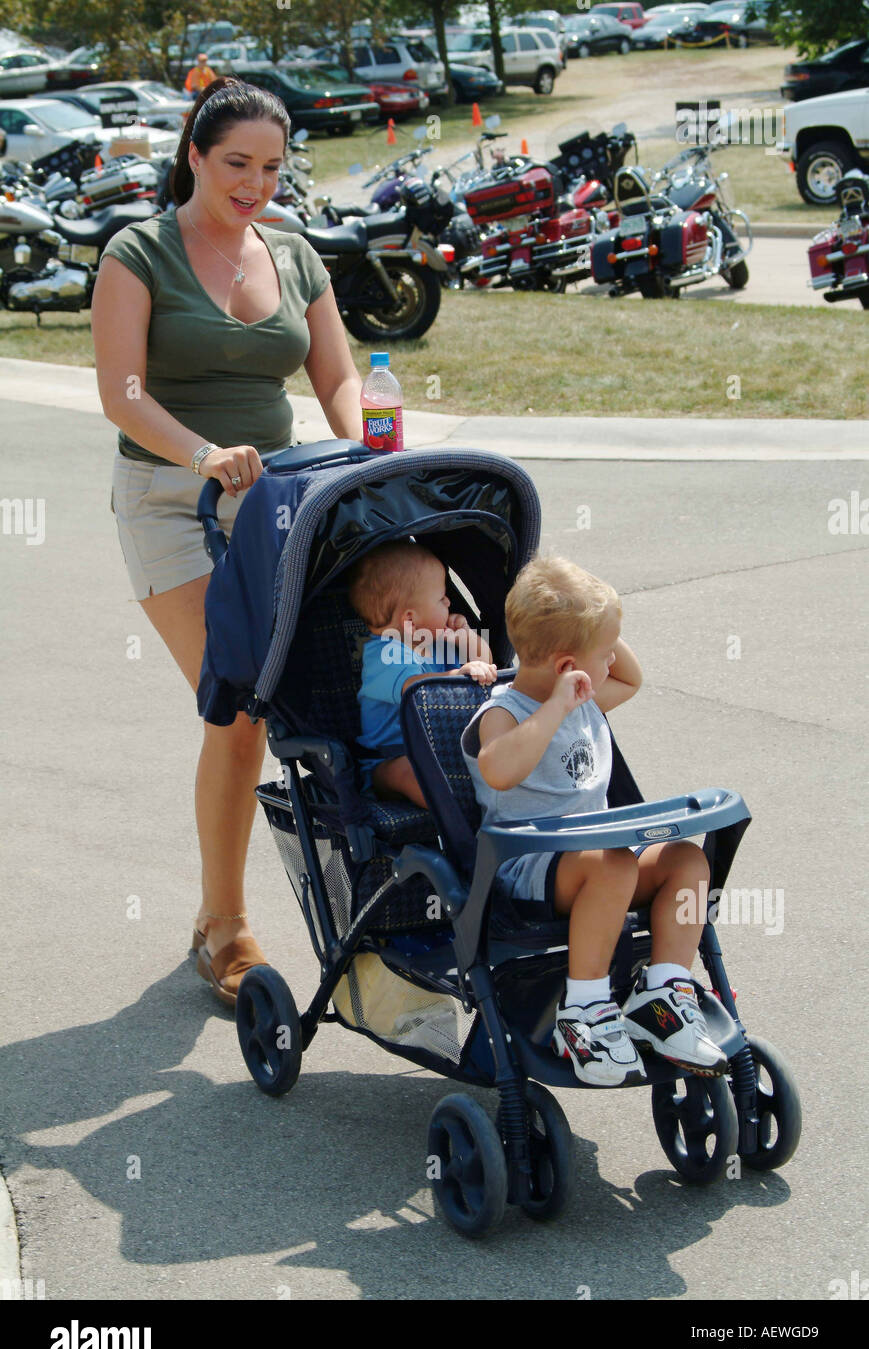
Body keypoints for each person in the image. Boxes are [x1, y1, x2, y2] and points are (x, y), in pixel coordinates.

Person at [91, 77, 363, 1008]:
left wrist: (360, 445)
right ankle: (225, 927)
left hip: (282, 497)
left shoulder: (292, 253)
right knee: (239, 702)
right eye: (236, 163)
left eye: (272, 168)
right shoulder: (139, 252)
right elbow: (121, 393)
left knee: (328, 697)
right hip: (171, 496)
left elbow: (337, 376)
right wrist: (204, 454)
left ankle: (372, 909)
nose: (254, 184)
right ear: (196, 156)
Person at [461, 555, 727, 1086]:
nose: (613, 661)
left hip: (604, 857)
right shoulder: (502, 713)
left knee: (686, 859)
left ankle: (664, 993)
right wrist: (556, 704)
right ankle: (583, 1012)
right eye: (603, 653)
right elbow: (498, 767)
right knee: (613, 867)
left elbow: (631, 677)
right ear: (568, 667)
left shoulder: (585, 697)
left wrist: (597, 620)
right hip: (528, 868)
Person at [347, 541, 497, 807]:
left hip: (442, 749)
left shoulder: (438, 642)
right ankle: (453, 812)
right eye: (441, 598)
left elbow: (485, 668)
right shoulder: (384, 653)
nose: (449, 601)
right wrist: (458, 674)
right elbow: (415, 689)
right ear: (410, 620)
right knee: (409, 772)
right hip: (389, 757)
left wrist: (467, 640)